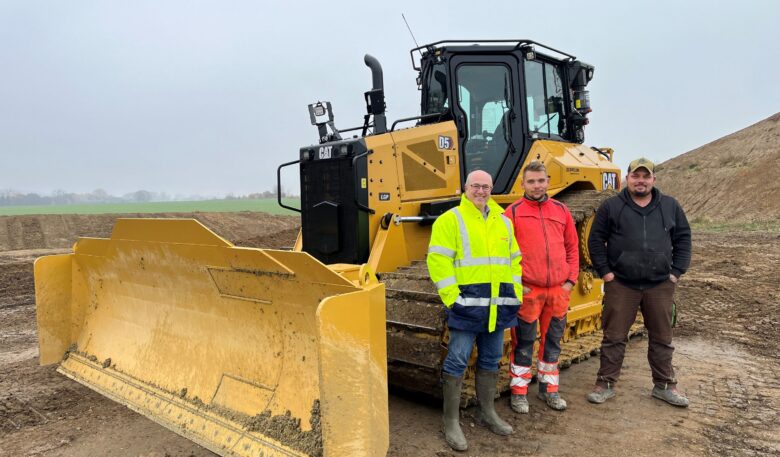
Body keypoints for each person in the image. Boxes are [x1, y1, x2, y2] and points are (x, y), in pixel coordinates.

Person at [427, 170, 522, 451]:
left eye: (486, 187)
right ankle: (451, 422)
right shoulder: (451, 220)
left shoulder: (503, 223)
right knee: (457, 360)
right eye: (476, 186)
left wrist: (515, 292)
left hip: (497, 307)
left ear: (492, 189)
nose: (481, 191)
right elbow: (438, 261)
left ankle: (487, 412)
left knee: (491, 359)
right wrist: (452, 297)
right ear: (465, 188)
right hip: (467, 306)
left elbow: (514, 259)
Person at [586, 157, 692, 407]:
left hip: (659, 284)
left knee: (662, 337)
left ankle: (665, 385)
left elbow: (684, 239)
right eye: (636, 176)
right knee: (613, 336)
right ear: (627, 178)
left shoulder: (670, 206)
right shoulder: (611, 206)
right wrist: (607, 273)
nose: (640, 181)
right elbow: (595, 240)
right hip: (622, 283)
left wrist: (676, 272)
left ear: (653, 180)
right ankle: (605, 383)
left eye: (646, 176)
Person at [503, 161, 578, 413]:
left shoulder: (561, 210)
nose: (537, 186)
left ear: (547, 181)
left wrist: (570, 281)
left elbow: (572, 247)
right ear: (522, 184)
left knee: (552, 342)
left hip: (558, 291)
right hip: (529, 291)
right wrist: (518, 285)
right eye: (532, 181)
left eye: (541, 180)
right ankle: (519, 391)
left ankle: (550, 390)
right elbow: (504, 254)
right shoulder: (511, 213)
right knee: (522, 342)